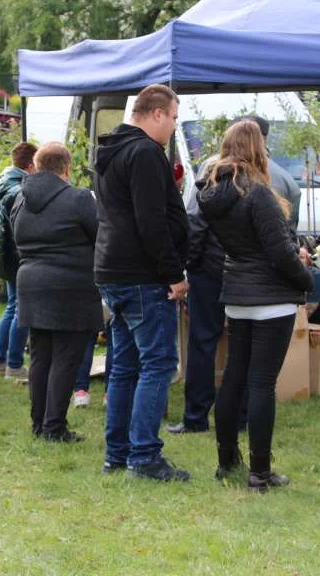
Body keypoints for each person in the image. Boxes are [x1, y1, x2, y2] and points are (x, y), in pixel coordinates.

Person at [198, 119, 313, 492]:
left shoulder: (213, 191)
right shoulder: (257, 193)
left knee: (233, 379)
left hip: (237, 295)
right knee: (261, 384)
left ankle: (227, 459)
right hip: (270, 297)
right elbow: (279, 252)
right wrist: (305, 278)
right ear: (256, 147)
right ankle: (260, 473)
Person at [94, 83, 190, 482]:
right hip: (141, 275)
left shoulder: (110, 150)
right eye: (173, 118)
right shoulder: (146, 153)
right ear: (155, 113)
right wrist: (173, 273)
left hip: (113, 270)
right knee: (158, 364)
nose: (173, 127)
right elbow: (151, 221)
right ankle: (144, 456)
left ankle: (119, 454)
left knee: (125, 367)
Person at [13, 143, 101, 442]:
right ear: (67, 167)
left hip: (30, 281)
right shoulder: (78, 199)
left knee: (40, 356)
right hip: (70, 285)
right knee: (65, 358)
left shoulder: (19, 200)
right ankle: (54, 426)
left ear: (36, 166)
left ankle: (39, 423)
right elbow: (101, 236)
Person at [166, 157, 226, 435]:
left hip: (209, 274)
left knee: (202, 343)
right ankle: (241, 414)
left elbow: (195, 230)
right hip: (242, 274)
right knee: (243, 344)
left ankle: (196, 416)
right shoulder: (256, 185)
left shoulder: (206, 190)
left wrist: (186, 268)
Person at [0, 142, 38, 379]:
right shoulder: (19, 189)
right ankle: (15, 364)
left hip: (7, 256)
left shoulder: (7, 182)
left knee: (12, 307)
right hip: (18, 258)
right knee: (21, 309)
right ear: (31, 165)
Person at [239, 116, 302, 233]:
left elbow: (196, 216)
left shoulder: (216, 171)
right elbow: (290, 231)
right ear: (264, 139)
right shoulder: (285, 178)